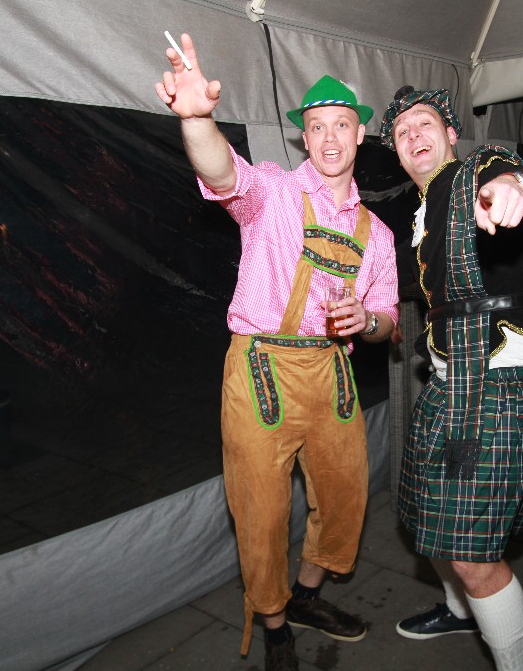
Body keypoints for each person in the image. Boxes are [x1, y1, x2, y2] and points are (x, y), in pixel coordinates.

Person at [156, 35, 399, 671]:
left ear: (359, 135)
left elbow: (389, 322)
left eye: (341, 125)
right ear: (303, 137)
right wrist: (196, 119)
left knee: (344, 498)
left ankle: (307, 597)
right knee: (260, 512)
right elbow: (221, 172)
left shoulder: (378, 235)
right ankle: (274, 626)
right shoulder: (272, 193)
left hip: (332, 372)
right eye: (316, 126)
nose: (329, 138)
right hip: (261, 369)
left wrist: (370, 320)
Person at [380, 86, 523, 671]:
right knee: (427, 514)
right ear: (397, 152)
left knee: (472, 555)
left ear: (451, 135)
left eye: (424, 123)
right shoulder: (419, 214)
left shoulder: (475, 173)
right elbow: (401, 288)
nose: (413, 135)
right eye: (402, 132)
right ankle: (461, 611)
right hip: (451, 380)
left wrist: (516, 188)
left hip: (502, 380)